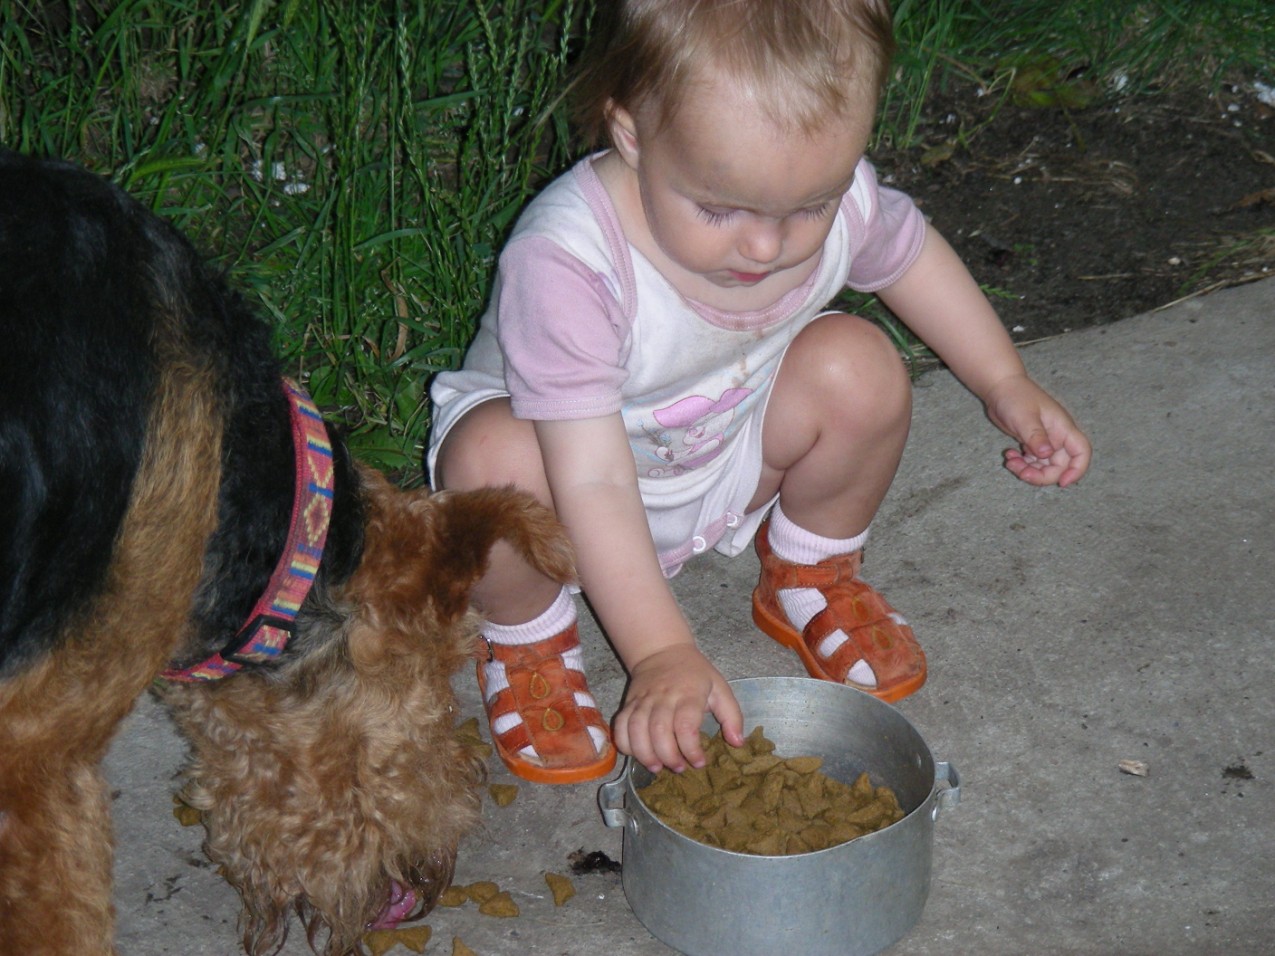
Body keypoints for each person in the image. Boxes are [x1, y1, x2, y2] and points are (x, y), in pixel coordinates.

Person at [425, 0, 1091, 785]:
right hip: (562, 487)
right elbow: (592, 477)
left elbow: (908, 258)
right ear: (631, 133)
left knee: (858, 366)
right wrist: (661, 651)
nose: (768, 246)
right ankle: (526, 633)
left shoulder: (816, 192)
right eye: (720, 208)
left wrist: (1001, 379)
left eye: (810, 205)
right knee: (491, 463)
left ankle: (810, 566)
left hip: (724, 449)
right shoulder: (570, 264)